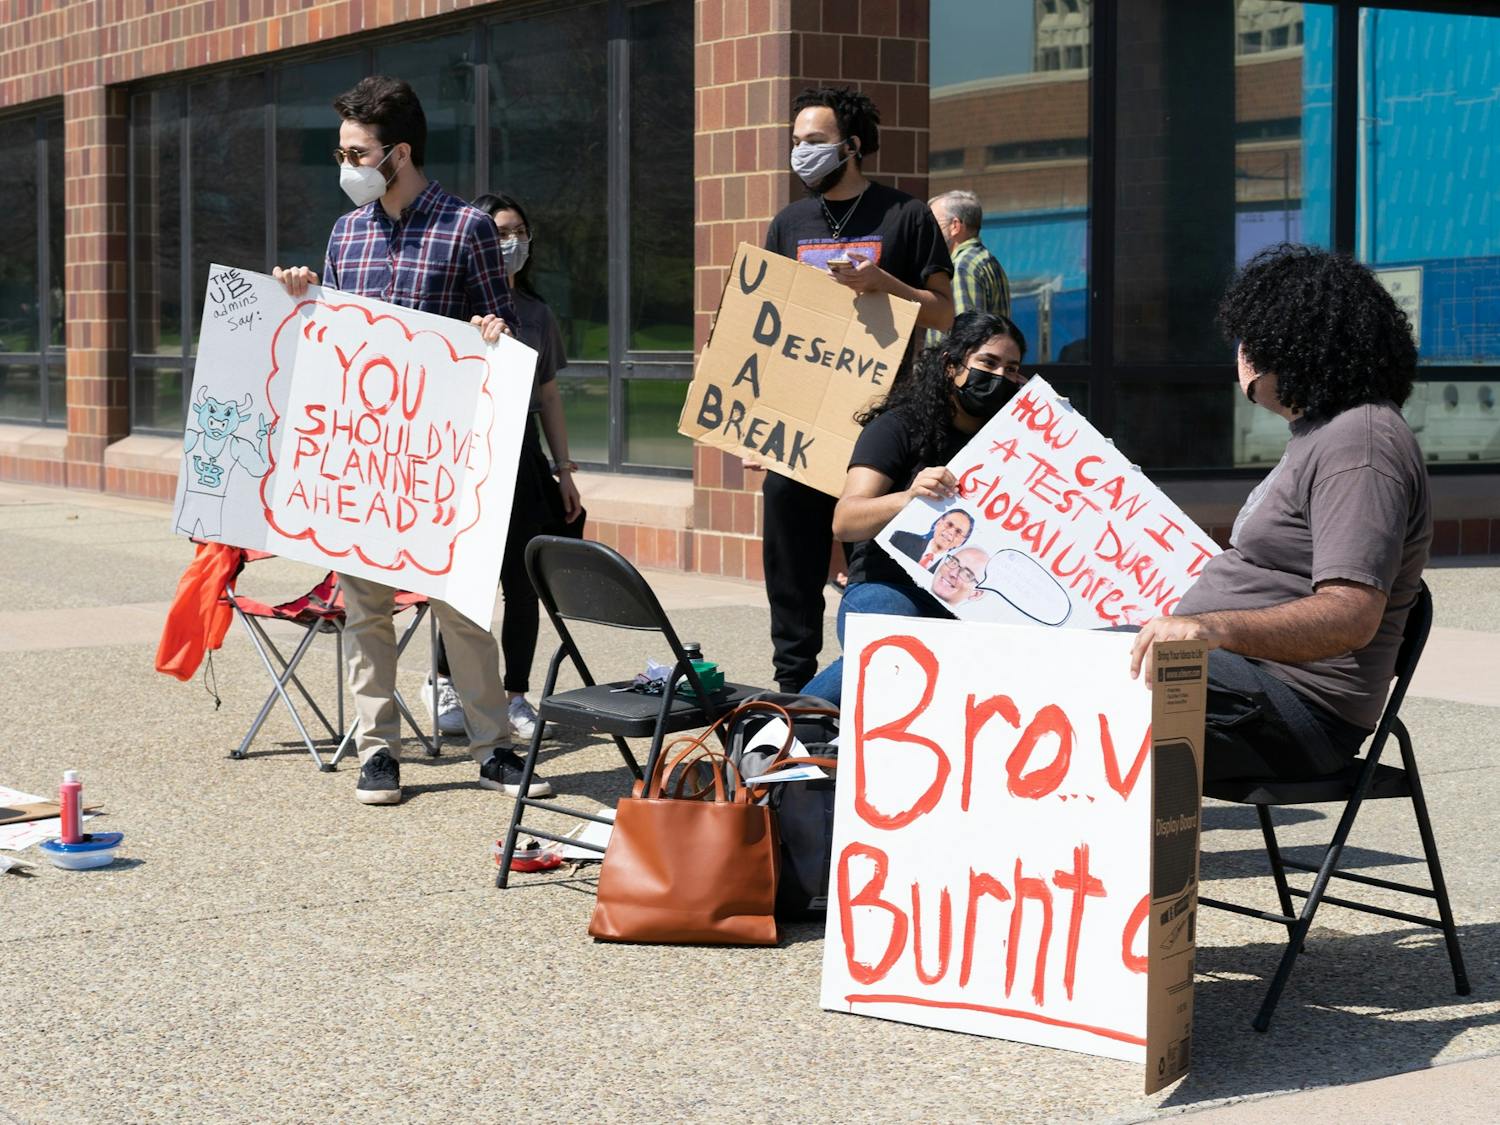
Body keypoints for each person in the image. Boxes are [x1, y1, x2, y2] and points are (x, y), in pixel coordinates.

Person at [271, 75, 548, 805]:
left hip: (443, 461)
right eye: (341, 151)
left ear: (398, 152)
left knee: (461, 605)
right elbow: (333, 340)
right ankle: (377, 750)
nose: (347, 166)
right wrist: (299, 297)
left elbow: (504, 331)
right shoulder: (345, 235)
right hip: (365, 460)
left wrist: (495, 332)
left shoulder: (467, 230)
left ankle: (492, 747)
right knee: (364, 607)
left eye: (356, 152)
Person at [1129, 244, 1430, 783]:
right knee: (1063, 657)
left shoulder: (1359, 445)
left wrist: (1209, 627)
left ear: (1292, 349)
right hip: (1250, 684)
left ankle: (1097, 866)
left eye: (1251, 340)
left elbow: (1352, 613)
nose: (1241, 354)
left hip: (1297, 712)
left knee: (1075, 685)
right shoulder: (1322, 433)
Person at [757, 86, 956, 693]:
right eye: (795, 142)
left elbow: (944, 314)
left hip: (881, 423)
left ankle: (872, 683)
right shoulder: (788, 222)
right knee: (791, 557)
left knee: (871, 562)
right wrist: (756, 417)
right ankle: (792, 691)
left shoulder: (906, 215)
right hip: (803, 418)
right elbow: (768, 322)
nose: (802, 152)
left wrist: (883, 282)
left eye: (815, 141)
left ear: (854, 145)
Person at [802, 311, 1029, 704]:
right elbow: (846, 521)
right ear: (951, 365)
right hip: (888, 585)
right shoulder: (898, 427)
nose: (1000, 378)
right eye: (988, 363)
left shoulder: (1015, 442)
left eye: (1011, 370)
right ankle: (772, 724)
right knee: (896, 639)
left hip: (972, 598)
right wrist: (908, 497)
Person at [425, 191, 584, 746]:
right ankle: (448, 684)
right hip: (466, 460)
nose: (509, 243)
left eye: (518, 232)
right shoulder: (454, 308)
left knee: (523, 584)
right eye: (497, 233)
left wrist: (564, 470)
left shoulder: (537, 314)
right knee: (463, 582)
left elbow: (550, 394)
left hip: (523, 460)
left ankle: (516, 693)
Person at [925, 189, 1010, 349]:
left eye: (934, 223)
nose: (929, 231)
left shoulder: (961, 266)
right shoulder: (987, 260)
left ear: (955, 226)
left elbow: (965, 337)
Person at [888, 509, 975, 570]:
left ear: (961, 542)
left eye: (958, 532)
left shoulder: (949, 571)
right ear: (938, 523)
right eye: (949, 524)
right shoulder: (900, 538)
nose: (951, 532)